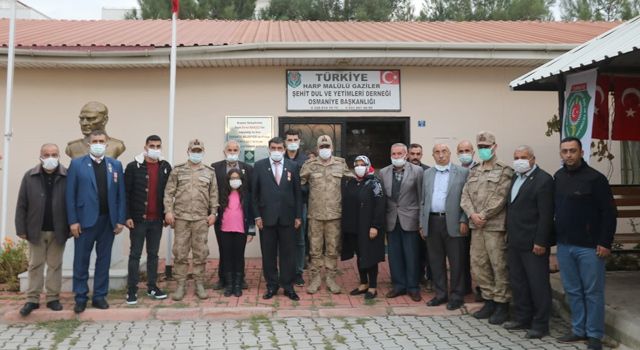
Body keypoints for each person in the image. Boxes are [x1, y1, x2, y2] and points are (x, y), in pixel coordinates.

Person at [554, 137, 616, 350]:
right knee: (572, 290)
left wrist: (605, 241)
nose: (569, 155)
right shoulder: (559, 177)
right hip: (564, 245)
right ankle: (578, 330)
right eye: (565, 151)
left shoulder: (595, 179)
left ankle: (595, 335)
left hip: (590, 247)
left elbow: (609, 212)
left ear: (581, 152)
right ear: (560, 154)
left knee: (593, 292)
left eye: (573, 151)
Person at [66, 130, 126, 313]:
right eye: (95, 141)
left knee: (104, 260)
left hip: (107, 221)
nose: (98, 144)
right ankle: (81, 296)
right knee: (81, 261)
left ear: (106, 144)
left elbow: (120, 194)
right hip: (84, 222)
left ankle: (100, 295)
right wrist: (73, 221)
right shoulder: (77, 165)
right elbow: (70, 195)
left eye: (101, 141)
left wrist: (120, 219)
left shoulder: (115, 165)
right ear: (89, 144)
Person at [460, 131, 514, 325]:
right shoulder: (474, 171)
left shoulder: (505, 170)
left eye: (486, 146)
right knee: (478, 264)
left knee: (498, 265)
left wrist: (483, 215)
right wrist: (472, 214)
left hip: (494, 227)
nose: (483, 149)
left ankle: (502, 304)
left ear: (494, 147)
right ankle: (489, 299)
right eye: (480, 147)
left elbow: (500, 196)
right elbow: (465, 195)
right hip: (477, 226)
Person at [503, 145, 553, 339]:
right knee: (518, 282)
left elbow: (546, 215)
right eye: (516, 157)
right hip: (515, 240)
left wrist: (541, 241)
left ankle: (541, 324)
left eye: (524, 157)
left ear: (533, 159)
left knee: (538, 284)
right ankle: (522, 317)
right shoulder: (516, 177)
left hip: (534, 243)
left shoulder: (544, 180)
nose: (519, 160)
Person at [16, 144, 69, 316]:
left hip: (58, 229)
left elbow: (73, 204)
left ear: (59, 156)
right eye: (47, 154)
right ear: (40, 156)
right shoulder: (30, 176)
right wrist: (21, 228)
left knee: (55, 265)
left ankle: (53, 298)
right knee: (35, 265)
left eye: (54, 154)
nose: (50, 158)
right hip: (35, 230)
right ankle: (32, 299)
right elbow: (22, 204)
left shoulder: (67, 175)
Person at [164, 139, 218, 301]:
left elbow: (214, 194)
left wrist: (213, 212)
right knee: (180, 252)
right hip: (181, 218)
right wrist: (168, 211)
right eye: (193, 151)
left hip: (201, 218)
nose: (196, 153)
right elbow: (168, 193)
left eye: (199, 151)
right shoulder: (178, 170)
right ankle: (180, 285)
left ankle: (199, 284)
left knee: (200, 252)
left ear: (203, 151)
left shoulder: (209, 172)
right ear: (188, 151)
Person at [300, 135, 353, 294]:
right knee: (315, 249)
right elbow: (298, 184)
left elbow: (352, 180)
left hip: (334, 215)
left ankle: (330, 278)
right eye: (322, 147)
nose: (324, 149)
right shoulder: (309, 165)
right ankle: (315, 279)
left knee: (332, 248)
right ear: (317, 149)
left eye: (327, 146)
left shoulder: (340, 163)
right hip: (315, 214)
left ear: (332, 147)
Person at [419, 144, 469, 310]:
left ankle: (456, 295)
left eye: (444, 151)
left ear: (450, 154)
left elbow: (467, 199)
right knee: (435, 261)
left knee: (457, 261)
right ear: (432, 155)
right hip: (433, 222)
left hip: (454, 222)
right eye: (437, 152)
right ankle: (440, 294)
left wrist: (464, 220)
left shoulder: (462, 173)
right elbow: (423, 200)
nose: (441, 155)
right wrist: (422, 223)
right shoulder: (426, 174)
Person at [252, 137, 303, 301]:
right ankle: (272, 285)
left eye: (279, 148)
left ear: (284, 149)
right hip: (266, 219)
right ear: (268, 149)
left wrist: (298, 216)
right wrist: (257, 216)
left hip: (288, 218)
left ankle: (288, 286)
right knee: (268, 254)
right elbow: (253, 194)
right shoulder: (259, 166)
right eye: (273, 148)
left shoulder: (293, 166)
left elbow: (298, 194)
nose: (276, 151)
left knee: (288, 254)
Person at [124, 135, 172, 305]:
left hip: (157, 220)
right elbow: (126, 193)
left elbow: (169, 193)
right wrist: (127, 216)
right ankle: (132, 290)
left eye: (158, 146)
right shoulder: (133, 167)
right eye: (152, 145)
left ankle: (152, 286)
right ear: (145, 147)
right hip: (138, 220)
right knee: (135, 255)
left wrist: (167, 213)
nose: (155, 148)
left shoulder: (165, 167)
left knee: (153, 255)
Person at [380, 143, 424, 302]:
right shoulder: (384, 172)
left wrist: (421, 221)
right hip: (391, 220)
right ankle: (398, 285)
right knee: (394, 255)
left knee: (412, 254)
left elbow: (421, 198)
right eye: (394, 153)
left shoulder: (418, 171)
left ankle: (413, 287)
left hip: (410, 219)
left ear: (406, 155)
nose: (397, 156)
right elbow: (383, 199)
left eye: (400, 153)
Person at [341, 156, 385, 300]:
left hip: (369, 227)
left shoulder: (375, 183)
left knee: (370, 256)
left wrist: (375, 226)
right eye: (356, 164)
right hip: (354, 227)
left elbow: (380, 206)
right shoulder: (352, 182)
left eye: (362, 164)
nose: (359, 167)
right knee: (360, 256)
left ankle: (372, 287)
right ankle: (363, 283)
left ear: (368, 166)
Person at [211, 140, 253, 291]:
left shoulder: (247, 169)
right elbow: (212, 191)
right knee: (224, 249)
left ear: (239, 152)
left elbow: (251, 193)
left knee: (238, 251)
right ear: (224, 151)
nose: (232, 152)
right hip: (222, 218)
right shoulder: (215, 168)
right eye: (229, 149)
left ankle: (240, 280)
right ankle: (223, 279)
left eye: (235, 150)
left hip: (240, 218)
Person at [218, 168, 255, 297]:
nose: (235, 181)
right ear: (228, 181)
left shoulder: (246, 194)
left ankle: (238, 285)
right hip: (225, 230)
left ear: (241, 180)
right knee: (227, 257)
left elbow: (250, 214)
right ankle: (229, 285)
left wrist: (251, 231)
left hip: (240, 230)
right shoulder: (223, 194)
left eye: (237, 178)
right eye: (232, 178)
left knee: (239, 257)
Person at [284, 129, 309, 286]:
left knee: (299, 240)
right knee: (284, 239)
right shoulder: (279, 158)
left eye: (295, 139)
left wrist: (296, 188)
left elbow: (310, 185)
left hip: (301, 205)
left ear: (299, 141)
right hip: (283, 205)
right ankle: (286, 270)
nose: (292, 142)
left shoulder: (306, 160)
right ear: (285, 141)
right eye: (289, 139)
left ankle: (299, 271)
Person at [408, 143, 432, 290]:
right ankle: (416, 276)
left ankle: (430, 278)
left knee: (428, 251)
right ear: (408, 154)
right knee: (413, 251)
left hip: (426, 218)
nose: (415, 157)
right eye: (413, 154)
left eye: (418, 154)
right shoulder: (401, 171)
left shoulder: (428, 171)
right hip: (408, 218)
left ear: (421, 155)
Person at [456, 139, 477, 297]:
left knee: (479, 258)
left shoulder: (480, 169)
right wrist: (463, 219)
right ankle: (465, 286)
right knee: (461, 256)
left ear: (473, 152)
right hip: (462, 221)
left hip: (479, 221)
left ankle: (483, 289)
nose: (464, 154)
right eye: (461, 151)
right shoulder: (455, 171)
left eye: (467, 150)